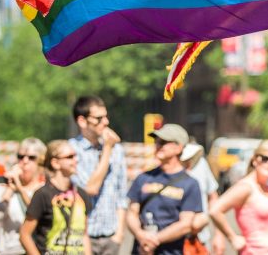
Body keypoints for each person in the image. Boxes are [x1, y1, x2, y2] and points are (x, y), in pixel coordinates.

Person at [128, 124, 202, 255]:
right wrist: (141, 236)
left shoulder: (190, 183)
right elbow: (132, 213)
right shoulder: (143, 178)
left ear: (179, 148)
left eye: (163, 142)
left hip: (171, 251)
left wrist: (154, 240)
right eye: (156, 142)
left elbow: (185, 224)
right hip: (141, 249)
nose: (158, 146)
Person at [69, 96, 128, 255]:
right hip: (83, 236)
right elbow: (90, 188)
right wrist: (107, 149)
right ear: (82, 121)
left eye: (106, 116)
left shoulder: (117, 150)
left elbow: (122, 195)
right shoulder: (71, 151)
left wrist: (119, 234)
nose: (106, 122)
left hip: (111, 237)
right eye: (99, 118)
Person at [211, 139, 268, 255]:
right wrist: (232, 237)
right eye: (265, 158)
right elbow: (215, 210)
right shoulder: (246, 187)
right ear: (255, 160)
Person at [20, 140, 92, 255]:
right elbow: (24, 234)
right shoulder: (42, 194)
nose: (76, 160)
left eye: (75, 156)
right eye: (70, 157)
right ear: (55, 163)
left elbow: (84, 235)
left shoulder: (81, 194)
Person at [0, 137, 47, 255]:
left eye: (31, 158)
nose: (24, 161)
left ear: (41, 163)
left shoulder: (44, 189)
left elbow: (41, 217)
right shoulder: (3, 188)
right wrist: (10, 188)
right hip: (7, 251)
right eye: (20, 157)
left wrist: (20, 189)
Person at [180, 142, 225, 255]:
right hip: (171, 243)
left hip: (200, 239)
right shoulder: (161, 171)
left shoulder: (201, 164)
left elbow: (213, 197)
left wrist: (219, 235)